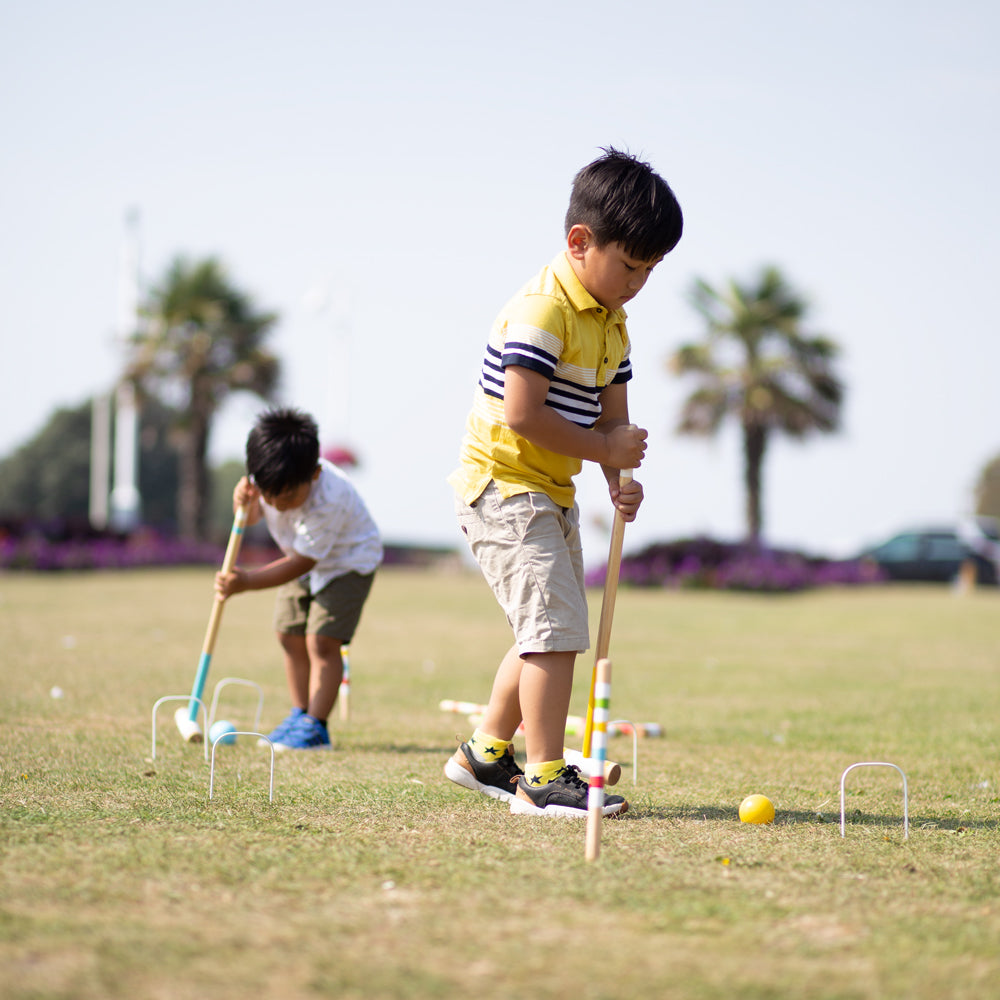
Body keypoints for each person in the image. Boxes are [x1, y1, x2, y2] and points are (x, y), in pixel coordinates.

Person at [445, 147, 683, 816]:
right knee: (553, 631)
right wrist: (602, 445)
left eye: (650, 271)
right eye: (630, 265)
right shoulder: (542, 311)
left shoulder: (612, 323)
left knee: (551, 625)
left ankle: (486, 753)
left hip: (550, 490)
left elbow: (614, 420)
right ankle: (545, 779)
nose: (637, 282)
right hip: (502, 485)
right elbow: (522, 415)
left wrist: (617, 474)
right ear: (580, 242)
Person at [215, 407, 382, 750]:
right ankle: (299, 714)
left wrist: (245, 582)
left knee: (322, 641)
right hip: (300, 555)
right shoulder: (268, 481)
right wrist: (242, 506)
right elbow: (249, 518)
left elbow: (302, 562)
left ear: (315, 474)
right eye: (268, 493)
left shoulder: (328, 498)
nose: (277, 502)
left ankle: (316, 728)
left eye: (288, 496)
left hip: (347, 562)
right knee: (287, 632)